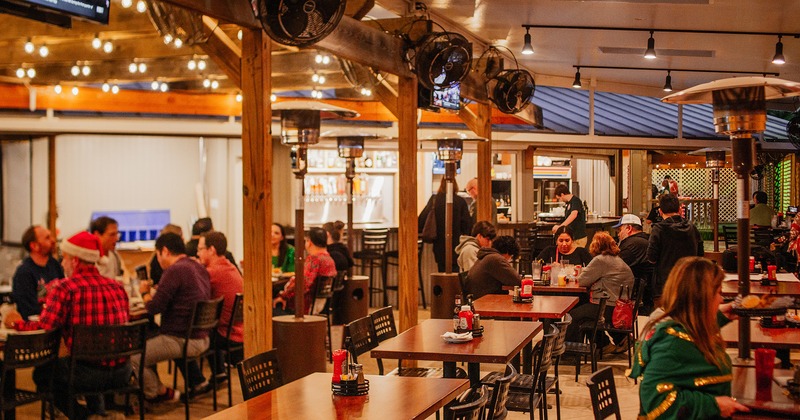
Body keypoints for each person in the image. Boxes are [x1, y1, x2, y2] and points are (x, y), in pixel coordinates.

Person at [6, 231, 130, 419]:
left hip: (87, 374)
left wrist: (16, 323)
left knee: (43, 374)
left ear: (75, 261)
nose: (62, 263)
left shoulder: (66, 289)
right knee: (90, 358)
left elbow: (45, 327)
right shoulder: (117, 287)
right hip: (123, 372)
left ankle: (84, 417)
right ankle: (98, 413)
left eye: (65, 258)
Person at [629, 257, 750, 419]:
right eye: (718, 293)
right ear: (701, 297)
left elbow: (692, 333)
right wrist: (714, 406)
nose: (721, 299)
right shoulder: (672, 342)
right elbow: (655, 399)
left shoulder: (682, 328)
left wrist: (719, 316)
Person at [132, 232, 211, 404]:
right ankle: (155, 389)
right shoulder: (197, 266)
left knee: (133, 358)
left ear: (165, 251)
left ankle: (156, 392)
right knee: (147, 340)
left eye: (158, 254)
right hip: (202, 336)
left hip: (181, 339)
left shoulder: (174, 270)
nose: (158, 260)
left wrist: (145, 293)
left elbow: (153, 308)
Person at [184, 231, 244, 397]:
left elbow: (190, 296)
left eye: (200, 249)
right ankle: (218, 372)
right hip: (238, 329)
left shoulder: (212, 272)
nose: (197, 253)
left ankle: (197, 382)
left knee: (181, 338)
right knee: (207, 326)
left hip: (227, 334)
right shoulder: (229, 266)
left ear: (211, 250)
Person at [567, 231, 634, 349]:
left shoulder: (600, 260)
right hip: (620, 306)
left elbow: (582, 281)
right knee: (585, 309)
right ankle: (605, 344)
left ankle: (571, 353)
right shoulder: (616, 259)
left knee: (573, 315)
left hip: (608, 307)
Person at [646, 193, 704, 306]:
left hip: (665, 285)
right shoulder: (691, 227)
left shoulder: (658, 229)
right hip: (689, 284)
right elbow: (700, 255)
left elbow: (651, 258)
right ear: (679, 209)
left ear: (660, 211)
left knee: (666, 319)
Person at [273, 227, 337, 316]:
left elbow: (303, 284)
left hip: (303, 307)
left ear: (309, 242)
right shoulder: (329, 259)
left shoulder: (314, 260)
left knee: (271, 308)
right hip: (319, 305)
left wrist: (283, 296)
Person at [418, 178, 473, 272]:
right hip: (457, 245)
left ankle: (443, 286)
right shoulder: (460, 202)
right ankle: (453, 286)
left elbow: (421, 221)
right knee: (455, 272)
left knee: (442, 271)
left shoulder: (434, 200)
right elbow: (467, 226)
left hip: (439, 245)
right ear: (455, 185)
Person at [12, 225, 64, 319]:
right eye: (47, 238)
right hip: (37, 328)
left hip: (56, 324)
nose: (53, 240)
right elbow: (29, 311)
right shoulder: (24, 273)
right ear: (34, 246)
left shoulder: (55, 265)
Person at [614, 214, 654, 313]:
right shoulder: (646, 239)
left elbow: (615, 266)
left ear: (629, 228)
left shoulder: (631, 244)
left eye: (620, 230)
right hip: (649, 294)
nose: (618, 234)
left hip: (638, 296)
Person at [464, 235, 521, 299]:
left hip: (479, 298)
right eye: (511, 257)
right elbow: (517, 281)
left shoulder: (487, 256)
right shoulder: (495, 259)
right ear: (507, 252)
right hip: (484, 302)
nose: (509, 260)